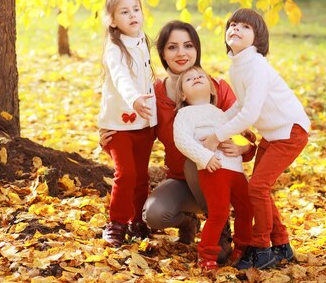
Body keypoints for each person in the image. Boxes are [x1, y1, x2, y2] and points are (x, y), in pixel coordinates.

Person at [100, 21, 255, 262]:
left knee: (197, 160)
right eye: (172, 47)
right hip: (180, 181)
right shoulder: (154, 95)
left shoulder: (216, 89)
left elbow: (248, 138)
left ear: (197, 50)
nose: (181, 53)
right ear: (162, 53)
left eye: (188, 45)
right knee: (154, 214)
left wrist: (243, 148)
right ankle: (189, 221)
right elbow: (138, 139)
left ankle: (220, 226)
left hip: (218, 178)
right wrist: (111, 141)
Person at [203, 8, 310, 270]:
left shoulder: (257, 66)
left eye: (245, 27)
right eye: (232, 25)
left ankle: (262, 248)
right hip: (273, 133)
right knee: (259, 188)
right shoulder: (238, 65)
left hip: (289, 131)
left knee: (257, 188)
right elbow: (241, 104)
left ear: (258, 39)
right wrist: (217, 120)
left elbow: (250, 112)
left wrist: (217, 136)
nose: (236, 29)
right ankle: (281, 243)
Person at [173, 66, 253, 271]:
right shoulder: (185, 114)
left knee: (247, 208)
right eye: (189, 78)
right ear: (182, 94)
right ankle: (207, 254)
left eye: (201, 76)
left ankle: (242, 248)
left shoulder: (222, 114)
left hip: (236, 171)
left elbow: (241, 128)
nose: (197, 78)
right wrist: (205, 157)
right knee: (219, 213)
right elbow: (182, 140)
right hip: (213, 168)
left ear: (211, 89)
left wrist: (244, 146)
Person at [97, 0, 158, 247]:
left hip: (143, 121)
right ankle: (116, 223)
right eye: (124, 12)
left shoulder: (143, 39)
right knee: (127, 174)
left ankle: (137, 220)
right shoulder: (114, 48)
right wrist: (134, 99)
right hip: (119, 124)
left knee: (141, 176)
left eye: (136, 9)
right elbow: (121, 78)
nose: (133, 15)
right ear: (112, 20)